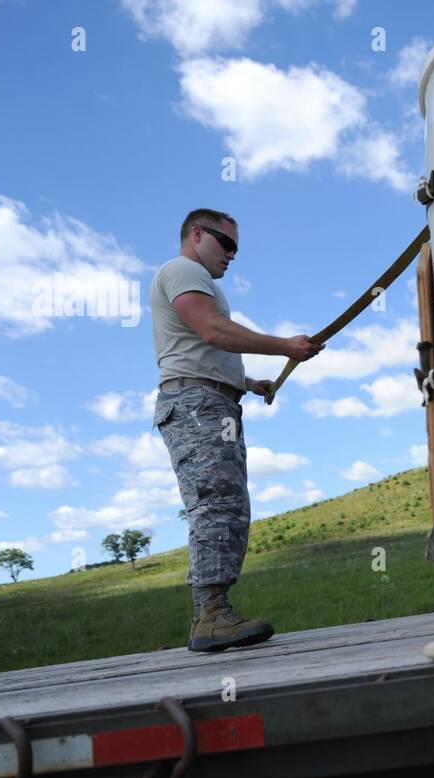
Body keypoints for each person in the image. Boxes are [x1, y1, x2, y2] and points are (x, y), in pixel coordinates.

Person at [150, 208, 321, 652]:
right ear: (196, 233)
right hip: (197, 406)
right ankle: (210, 616)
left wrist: (247, 382)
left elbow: (195, 348)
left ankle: (215, 612)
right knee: (214, 506)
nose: (232, 255)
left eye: (236, 249)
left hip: (212, 402)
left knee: (228, 505)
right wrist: (284, 345)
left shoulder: (195, 278)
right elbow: (211, 332)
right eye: (226, 244)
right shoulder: (181, 270)